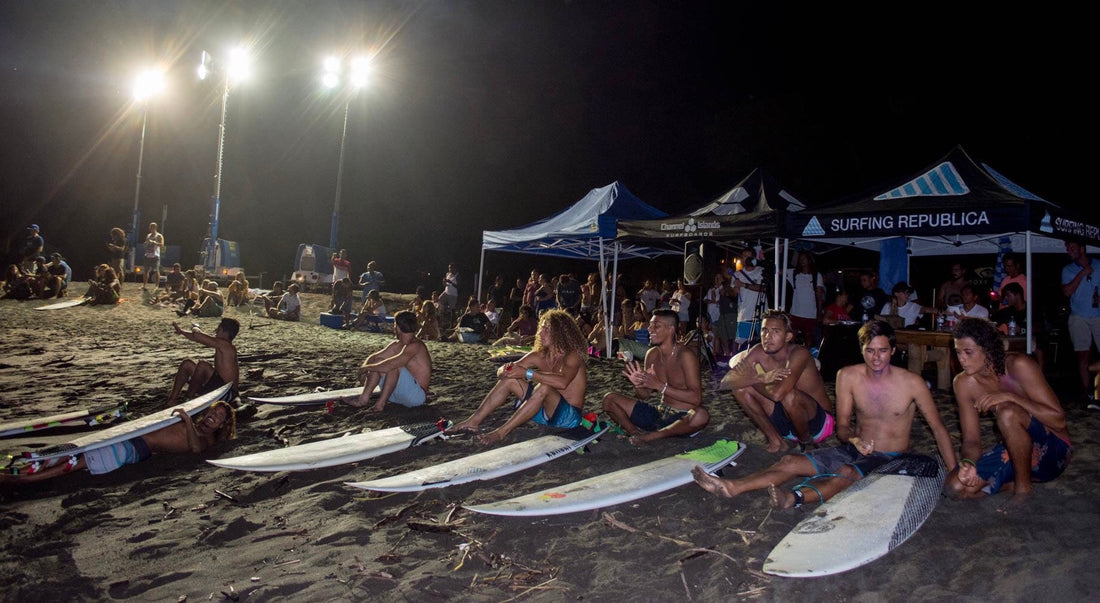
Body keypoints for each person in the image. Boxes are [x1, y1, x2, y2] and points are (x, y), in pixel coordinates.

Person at [693, 319, 958, 508]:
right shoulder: (848, 376)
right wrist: (853, 439)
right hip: (856, 449)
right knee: (791, 462)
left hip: (892, 456)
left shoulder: (912, 383)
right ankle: (732, 487)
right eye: (870, 351)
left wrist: (953, 470)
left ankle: (794, 498)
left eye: (883, 351)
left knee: (847, 472)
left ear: (894, 350)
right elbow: (842, 428)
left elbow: (938, 429)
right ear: (861, 350)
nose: (876, 358)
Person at [944, 318, 1071, 505]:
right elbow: (971, 440)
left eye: (968, 352)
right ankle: (1011, 484)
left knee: (1007, 412)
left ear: (986, 349)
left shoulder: (1018, 365)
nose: (961, 358)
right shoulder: (963, 383)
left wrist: (1011, 397)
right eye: (958, 352)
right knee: (956, 488)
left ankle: (1022, 491)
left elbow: (1059, 421)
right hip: (1017, 453)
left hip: (1054, 452)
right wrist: (968, 463)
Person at [0, 401, 236, 485]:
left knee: (73, 464)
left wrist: (185, 419)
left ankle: (21, 479)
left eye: (218, 418)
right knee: (67, 452)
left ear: (221, 427)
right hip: (126, 437)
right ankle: (17, 470)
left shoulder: (206, 439)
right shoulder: (194, 426)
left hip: (132, 449)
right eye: (212, 413)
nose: (212, 417)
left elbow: (195, 449)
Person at [448, 308, 588, 445]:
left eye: (546, 329)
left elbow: (563, 382)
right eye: (541, 328)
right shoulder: (539, 355)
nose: (540, 333)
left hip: (568, 419)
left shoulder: (572, 355)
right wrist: (506, 370)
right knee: (510, 379)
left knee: (543, 387)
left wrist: (528, 373)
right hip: (542, 413)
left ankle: (501, 432)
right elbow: (505, 370)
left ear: (559, 332)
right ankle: (473, 421)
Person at [722, 310, 835, 453]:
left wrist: (750, 378)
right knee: (739, 389)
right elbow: (726, 381)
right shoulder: (759, 351)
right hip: (787, 422)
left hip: (817, 425)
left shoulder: (799, 354)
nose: (767, 336)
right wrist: (759, 377)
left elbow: (778, 395)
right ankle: (776, 440)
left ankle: (806, 442)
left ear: (788, 336)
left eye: (775, 331)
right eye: (764, 330)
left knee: (788, 395)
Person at [602, 309, 708, 444]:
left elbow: (696, 398)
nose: (649, 329)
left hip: (682, 418)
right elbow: (644, 395)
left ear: (671, 329)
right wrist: (639, 384)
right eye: (650, 325)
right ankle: (635, 433)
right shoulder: (652, 354)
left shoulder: (685, 355)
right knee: (609, 399)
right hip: (659, 414)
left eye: (656, 326)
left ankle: (651, 437)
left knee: (701, 414)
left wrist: (660, 386)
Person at [348, 310, 433, 411]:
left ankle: (380, 404)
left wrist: (366, 368)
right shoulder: (397, 345)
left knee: (394, 366)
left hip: (416, 398)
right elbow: (374, 357)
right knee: (379, 361)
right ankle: (363, 399)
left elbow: (390, 365)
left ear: (397, 327)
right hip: (398, 396)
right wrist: (364, 368)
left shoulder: (416, 346)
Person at [167, 318, 241, 405]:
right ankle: (172, 400)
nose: (216, 331)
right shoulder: (221, 345)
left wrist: (195, 327)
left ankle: (188, 399)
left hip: (227, 393)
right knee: (186, 364)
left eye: (219, 329)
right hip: (217, 387)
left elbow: (197, 335)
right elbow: (196, 338)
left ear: (225, 332)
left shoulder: (227, 346)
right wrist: (182, 332)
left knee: (203, 366)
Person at [1061, 237, 1100, 399]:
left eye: (1072, 247)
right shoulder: (1068, 269)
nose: (1069, 250)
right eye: (1068, 247)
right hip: (1078, 316)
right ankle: (1088, 393)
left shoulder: (1098, 264)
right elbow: (1067, 292)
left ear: (1082, 249)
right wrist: (1083, 273)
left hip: (1098, 315)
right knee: (1083, 355)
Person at [785, 251, 825, 346]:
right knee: (791, 336)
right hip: (795, 312)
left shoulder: (816, 275)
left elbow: (819, 297)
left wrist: (819, 313)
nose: (802, 260)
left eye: (804, 258)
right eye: (800, 259)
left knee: (808, 337)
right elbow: (778, 270)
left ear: (809, 260)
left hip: (810, 313)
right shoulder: (794, 273)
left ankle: (807, 357)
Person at [733, 247, 766, 350]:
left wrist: (744, 284)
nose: (746, 259)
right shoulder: (737, 274)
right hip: (744, 315)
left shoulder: (761, 271)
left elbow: (763, 288)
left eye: (749, 257)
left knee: (762, 343)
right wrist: (735, 289)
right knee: (741, 344)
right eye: (744, 256)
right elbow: (733, 294)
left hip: (761, 314)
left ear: (753, 258)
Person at [141, 222, 164, 291]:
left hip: (155, 256)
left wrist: (154, 242)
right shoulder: (148, 235)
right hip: (147, 255)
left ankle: (156, 285)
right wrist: (145, 243)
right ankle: (144, 285)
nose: (151, 229)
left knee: (156, 271)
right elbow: (145, 243)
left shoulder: (159, 236)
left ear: (155, 228)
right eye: (150, 228)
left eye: (152, 228)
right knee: (145, 271)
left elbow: (162, 244)